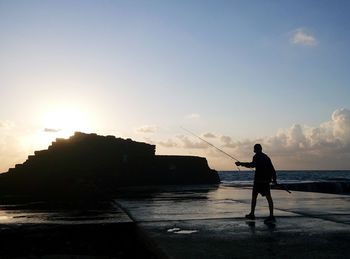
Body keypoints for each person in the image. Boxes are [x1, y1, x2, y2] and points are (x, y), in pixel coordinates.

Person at [235, 144, 277, 223]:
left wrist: (241, 164)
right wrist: (274, 180)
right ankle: (271, 215)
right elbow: (272, 169)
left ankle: (252, 214)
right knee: (269, 198)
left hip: (258, 181)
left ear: (255, 149)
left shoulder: (256, 157)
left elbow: (252, 165)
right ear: (261, 149)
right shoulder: (266, 157)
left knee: (254, 197)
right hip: (265, 181)